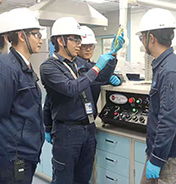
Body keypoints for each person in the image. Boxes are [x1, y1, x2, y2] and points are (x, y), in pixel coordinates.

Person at [40, 17, 124, 184]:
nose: (79, 43)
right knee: (64, 179)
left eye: (80, 39)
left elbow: (101, 77)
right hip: (67, 133)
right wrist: (96, 67)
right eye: (75, 39)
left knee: (84, 178)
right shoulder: (49, 67)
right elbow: (72, 88)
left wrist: (113, 55)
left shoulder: (78, 64)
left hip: (88, 129)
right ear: (60, 40)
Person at [44, 26, 123, 143]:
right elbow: (52, 100)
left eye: (91, 46)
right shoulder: (53, 66)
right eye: (83, 46)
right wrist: (48, 126)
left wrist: (112, 56)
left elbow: (103, 76)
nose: (87, 49)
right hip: (68, 128)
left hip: (88, 125)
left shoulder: (86, 65)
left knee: (88, 161)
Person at [136, 8, 176, 184]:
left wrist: (156, 159)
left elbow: (170, 120)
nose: (142, 41)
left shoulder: (171, 70)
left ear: (151, 38)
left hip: (170, 157)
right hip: (159, 151)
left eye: (142, 37)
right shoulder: (165, 65)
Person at [0, 8, 44, 184]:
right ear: (21, 36)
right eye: (36, 35)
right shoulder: (7, 67)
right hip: (14, 155)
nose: (40, 40)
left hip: (28, 151)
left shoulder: (24, 66)